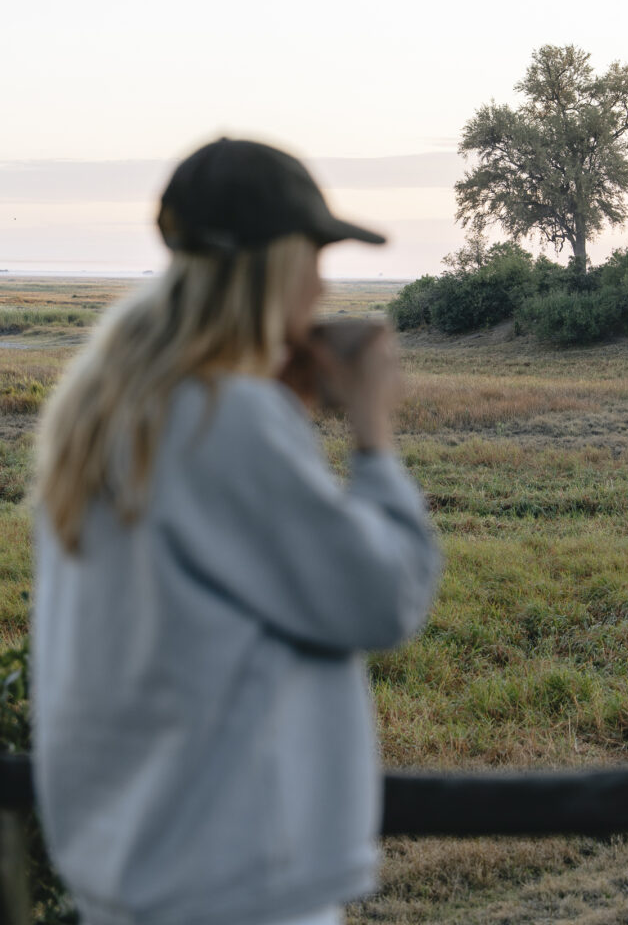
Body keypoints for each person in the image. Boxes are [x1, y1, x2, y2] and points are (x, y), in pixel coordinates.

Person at [32, 138, 440, 925]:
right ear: (276, 264)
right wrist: (373, 433)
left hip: (132, 864)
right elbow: (384, 597)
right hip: (231, 876)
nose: (324, 283)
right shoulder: (224, 418)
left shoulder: (108, 406)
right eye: (315, 253)